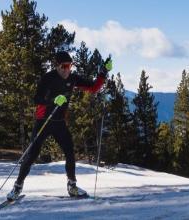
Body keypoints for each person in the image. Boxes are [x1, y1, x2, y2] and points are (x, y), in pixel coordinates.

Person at [7, 51, 112, 200]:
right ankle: (17, 187)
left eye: (69, 66)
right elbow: (36, 99)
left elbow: (94, 87)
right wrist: (53, 100)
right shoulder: (48, 78)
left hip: (59, 123)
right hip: (44, 121)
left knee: (70, 152)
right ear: (57, 66)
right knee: (31, 155)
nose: (66, 69)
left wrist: (103, 72)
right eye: (63, 66)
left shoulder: (73, 78)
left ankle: (72, 186)